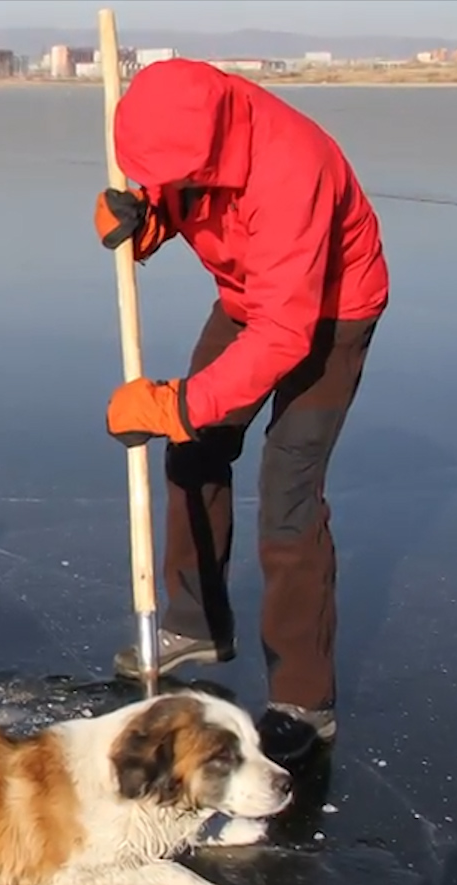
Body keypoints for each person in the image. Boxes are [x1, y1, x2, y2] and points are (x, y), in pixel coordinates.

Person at [92, 58, 390, 767]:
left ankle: (304, 700)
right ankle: (199, 622)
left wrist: (181, 402)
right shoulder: (187, 128)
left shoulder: (292, 167)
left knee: (288, 491)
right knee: (193, 452)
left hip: (330, 312)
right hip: (249, 296)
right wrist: (147, 220)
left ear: (217, 143)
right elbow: (190, 202)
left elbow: (286, 333)